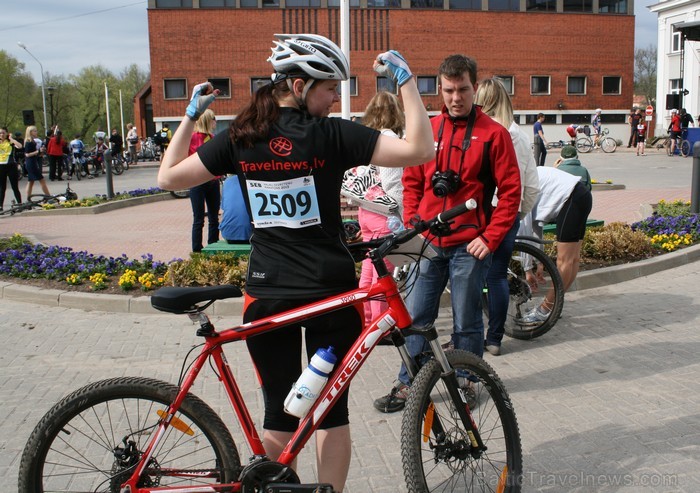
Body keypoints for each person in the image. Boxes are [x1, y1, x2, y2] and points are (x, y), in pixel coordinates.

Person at [157, 34, 433, 492]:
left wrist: (188, 119)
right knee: (329, 413)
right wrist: (406, 83)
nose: (334, 99)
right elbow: (420, 150)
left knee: (280, 415)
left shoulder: (241, 137)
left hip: (266, 295)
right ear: (302, 85)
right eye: (330, 88)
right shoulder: (331, 135)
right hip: (329, 294)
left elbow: (168, 176)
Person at [373, 54, 521, 412]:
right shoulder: (428, 129)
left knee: (467, 319)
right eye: (450, 90)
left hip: (468, 246)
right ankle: (409, 384)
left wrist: (490, 237)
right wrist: (412, 221)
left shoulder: (494, 135)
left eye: (464, 90)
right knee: (417, 317)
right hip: (428, 243)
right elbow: (411, 180)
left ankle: (468, 380)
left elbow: (511, 192)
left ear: (475, 88)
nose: (456, 98)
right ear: (440, 88)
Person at [474, 78, 539, 356]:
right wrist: (516, 213)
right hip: (507, 213)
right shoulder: (521, 136)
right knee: (497, 276)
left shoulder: (481, 134)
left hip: (479, 214)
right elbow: (532, 185)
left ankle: (470, 338)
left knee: (471, 276)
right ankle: (495, 339)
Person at [518, 166, 592, 324]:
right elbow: (535, 228)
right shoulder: (527, 173)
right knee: (573, 260)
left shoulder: (519, 185)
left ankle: (545, 309)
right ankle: (554, 307)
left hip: (571, 199)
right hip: (582, 194)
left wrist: (527, 269)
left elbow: (525, 232)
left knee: (564, 261)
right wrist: (538, 263)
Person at [356, 91, 406, 325]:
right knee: (382, 274)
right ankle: (380, 325)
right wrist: (401, 213)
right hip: (383, 214)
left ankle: (365, 320)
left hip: (365, 211)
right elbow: (392, 183)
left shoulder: (366, 138)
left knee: (368, 270)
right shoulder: (390, 140)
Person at [188, 109, 220, 252]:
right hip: (197, 182)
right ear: (207, 120)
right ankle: (197, 251)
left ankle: (213, 247)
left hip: (213, 182)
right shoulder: (192, 137)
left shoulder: (213, 138)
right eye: (214, 118)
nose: (216, 121)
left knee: (214, 218)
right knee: (199, 219)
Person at [219, 174, 252, 243]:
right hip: (251, 233)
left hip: (228, 233)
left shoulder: (227, 182)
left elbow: (224, 207)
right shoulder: (255, 181)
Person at [23, 126, 51, 199]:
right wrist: (38, 151)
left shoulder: (33, 141)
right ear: (30, 132)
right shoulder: (28, 142)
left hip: (33, 161)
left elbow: (34, 153)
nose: (36, 132)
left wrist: (40, 152)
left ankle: (28, 198)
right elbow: (27, 154)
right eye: (35, 131)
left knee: (31, 182)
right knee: (41, 180)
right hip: (31, 163)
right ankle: (48, 196)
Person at [0, 127, 23, 210]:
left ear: (7, 133)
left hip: (11, 165)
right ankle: (0, 206)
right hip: (1, 166)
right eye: (0, 133)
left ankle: (20, 204)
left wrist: (11, 139)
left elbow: (20, 146)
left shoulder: (10, 142)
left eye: (3, 133)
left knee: (15, 187)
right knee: (2, 187)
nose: (2, 135)